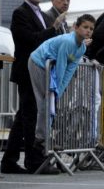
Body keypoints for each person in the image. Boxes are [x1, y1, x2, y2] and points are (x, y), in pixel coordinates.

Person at [1, 0, 64, 174]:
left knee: (24, 116)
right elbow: (30, 40)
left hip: (40, 72)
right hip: (27, 71)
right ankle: (33, 161)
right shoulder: (20, 13)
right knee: (30, 116)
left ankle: (9, 160)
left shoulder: (44, 17)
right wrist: (53, 29)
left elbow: (50, 43)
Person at [29, 14, 95, 154]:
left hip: (49, 67)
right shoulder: (68, 42)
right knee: (45, 100)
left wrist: (60, 89)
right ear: (76, 27)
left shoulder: (82, 48)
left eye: (91, 28)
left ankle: (45, 136)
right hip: (38, 62)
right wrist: (57, 89)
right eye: (85, 27)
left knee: (51, 100)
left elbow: (70, 70)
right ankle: (41, 138)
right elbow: (61, 66)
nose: (88, 31)